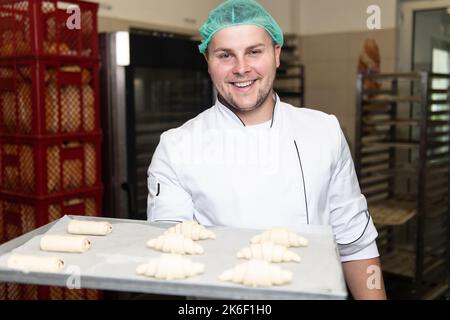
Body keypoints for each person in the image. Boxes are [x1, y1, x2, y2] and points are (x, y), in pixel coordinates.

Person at [147, 0, 386, 299]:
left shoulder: (324, 132)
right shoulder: (177, 147)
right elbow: (171, 253)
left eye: (254, 51)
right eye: (225, 55)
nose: (241, 68)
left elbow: (356, 244)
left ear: (276, 54)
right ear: (208, 60)